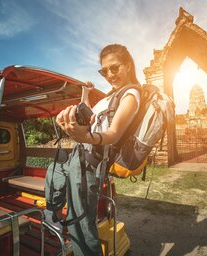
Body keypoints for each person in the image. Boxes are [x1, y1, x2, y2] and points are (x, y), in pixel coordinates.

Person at [44, 44, 141, 256]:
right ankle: (51, 215)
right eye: (104, 71)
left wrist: (86, 136)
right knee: (54, 170)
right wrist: (84, 94)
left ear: (128, 65)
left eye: (114, 68)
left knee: (80, 222)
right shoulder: (109, 97)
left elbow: (114, 133)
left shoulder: (131, 95)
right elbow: (88, 117)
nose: (109, 75)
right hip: (79, 153)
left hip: (92, 162)